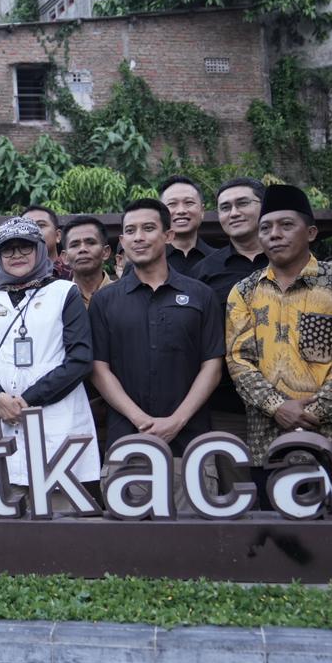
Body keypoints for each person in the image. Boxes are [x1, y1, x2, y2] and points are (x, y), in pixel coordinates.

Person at [226, 184, 332, 518]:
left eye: (286, 225)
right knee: (276, 536)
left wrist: (313, 413)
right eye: (266, 228)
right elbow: (238, 360)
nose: (274, 234)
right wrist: (277, 407)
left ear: (311, 232)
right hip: (268, 443)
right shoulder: (244, 291)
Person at [91, 198, 223, 507]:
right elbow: (98, 368)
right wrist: (140, 420)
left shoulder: (200, 295)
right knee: (129, 536)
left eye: (148, 228)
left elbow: (212, 365)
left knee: (196, 532)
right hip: (127, 446)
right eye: (130, 231)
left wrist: (176, 420)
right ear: (122, 241)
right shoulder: (104, 301)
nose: (138, 237)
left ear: (168, 235)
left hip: (191, 446)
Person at [0, 218, 99, 498]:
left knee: (60, 510)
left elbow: (80, 359)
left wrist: (27, 400)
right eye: (8, 249)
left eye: (24, 247)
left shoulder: (64, 292)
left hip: (56, 420)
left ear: (39, 248)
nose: (16, 255)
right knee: (3, 510)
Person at [191, 178, 269, 488]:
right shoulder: (205, 272)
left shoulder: (290, 261)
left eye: (243, 203)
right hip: (229, 407)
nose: (233, 212)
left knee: (291, 495)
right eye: (225, 207)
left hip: (293, 403)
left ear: (263, 207)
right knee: (239, 496)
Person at [161, 176, 215, 273]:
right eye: (172, 204)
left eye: (189, 203)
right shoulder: (148, 262)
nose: (181, 211)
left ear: (202, 211)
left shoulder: (220, 260)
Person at [61, 215, 114, 306]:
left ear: (105, 252)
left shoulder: (124, 295)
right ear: (65, 257)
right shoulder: (58, 299)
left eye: (91, 243)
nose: (82, 249)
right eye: (74, 245)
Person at [23, 204, 72, 279]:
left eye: (40, 225)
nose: (33, 231)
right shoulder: (13, 278)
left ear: (58, 235)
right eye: (26, 227)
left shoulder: (76, 274)